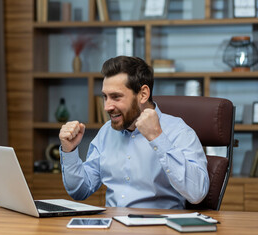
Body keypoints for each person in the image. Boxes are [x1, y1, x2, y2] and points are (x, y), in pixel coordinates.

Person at [58, 56, 209, 209]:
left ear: (143, 94)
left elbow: (197, 193)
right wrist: (69, 151)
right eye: (105, 97)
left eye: (116, 97)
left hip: (159, 228)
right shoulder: (106, 132)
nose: (107, 107)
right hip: (112, 228)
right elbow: (80, 191)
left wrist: (157, 138)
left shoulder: (179, 131)